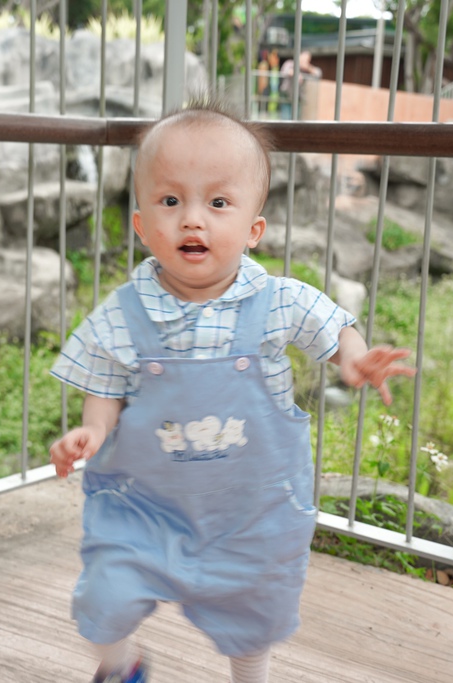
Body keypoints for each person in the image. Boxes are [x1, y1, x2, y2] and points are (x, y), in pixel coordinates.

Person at [49, 101, 415, 683]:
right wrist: (90, 433)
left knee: (254, 614)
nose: (193, 220)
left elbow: (332, 327)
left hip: (250, 510)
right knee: (105, 597)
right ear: (142, 224)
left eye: (218, 203)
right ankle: (120, 668)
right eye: (171, 201)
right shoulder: (122, 314)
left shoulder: (279, 301)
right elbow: (104, 390)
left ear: (252, 229)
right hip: (143, 508)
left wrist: (354, 358)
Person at [279, 50, 322, 120]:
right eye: (304, 58)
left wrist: (308, 68)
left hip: (298, 97)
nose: (305, 61)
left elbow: (318, 73)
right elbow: (286, 71)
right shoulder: (290, 63)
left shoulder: (306, 69)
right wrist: (296, 74)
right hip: (286, 96)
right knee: (285, 119)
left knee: (296, 119)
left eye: (307, 59)